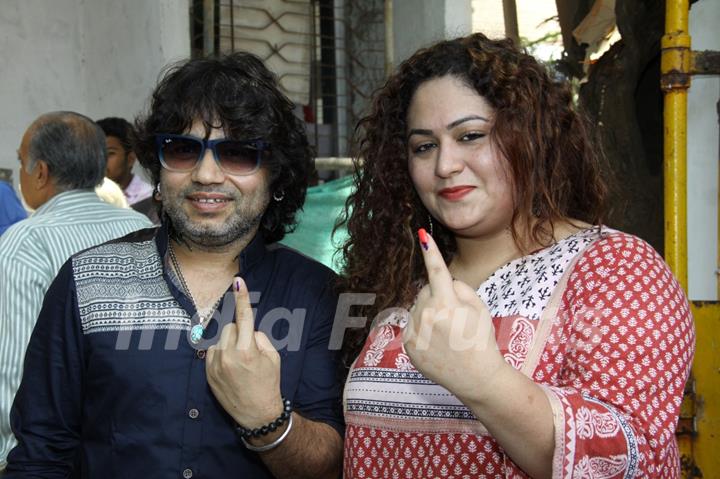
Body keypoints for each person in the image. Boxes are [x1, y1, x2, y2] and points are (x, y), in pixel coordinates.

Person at [339, 33, 695, 478]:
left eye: (470, 135)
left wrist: (484, 381)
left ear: (530, 137)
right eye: (424, 146)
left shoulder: (617, 269)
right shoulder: (401, 277)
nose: (445, 164)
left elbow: (630, 462)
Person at [5, 52, 343, 478]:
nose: (205, 174)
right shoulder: (85, 280)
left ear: (274, 175)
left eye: (237, 154)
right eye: (183, 150)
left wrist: (267, 420)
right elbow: (41, 455)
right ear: (159, 171)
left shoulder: (317, 295)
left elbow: (333, 465)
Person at [0, 111, 153, 468]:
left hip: (49, 456)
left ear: (40, 172)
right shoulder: (141, 225)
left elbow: (13, 372)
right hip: (133, 444)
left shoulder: (26, 242)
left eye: (22, 162)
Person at [96, 116, 158, 222]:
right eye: (96, 153)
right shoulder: (88, 196)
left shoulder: (150, 200)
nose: (101, 160)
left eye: (110, 153)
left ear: (130, 159)